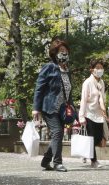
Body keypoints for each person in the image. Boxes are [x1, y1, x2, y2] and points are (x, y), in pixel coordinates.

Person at [32, 39, 74, 172]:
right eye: (61, 51)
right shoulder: (49, 67)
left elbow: (68, 91)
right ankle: (57, 163)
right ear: (54, 53)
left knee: (58, 134)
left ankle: (45, 161)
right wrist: (35, 108)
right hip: (49, 107)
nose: (64, 54)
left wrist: (72, 108)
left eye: (66, 51)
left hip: (62, 109)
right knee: (57, 132)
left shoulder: (67, 70)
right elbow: (39, 87)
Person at [79, 60, 108, 168]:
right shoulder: (87, 83)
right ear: (92, 69)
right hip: (89, 113)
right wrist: (81, 116)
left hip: (99, 114)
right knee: (91, 137)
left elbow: (102, 98)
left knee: (98, 137)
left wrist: (104, 110)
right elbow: (83, 100)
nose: (100, 70)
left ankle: (86, 152)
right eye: (97, 67)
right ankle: (94, 161)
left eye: (101, 68)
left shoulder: (101, 82)